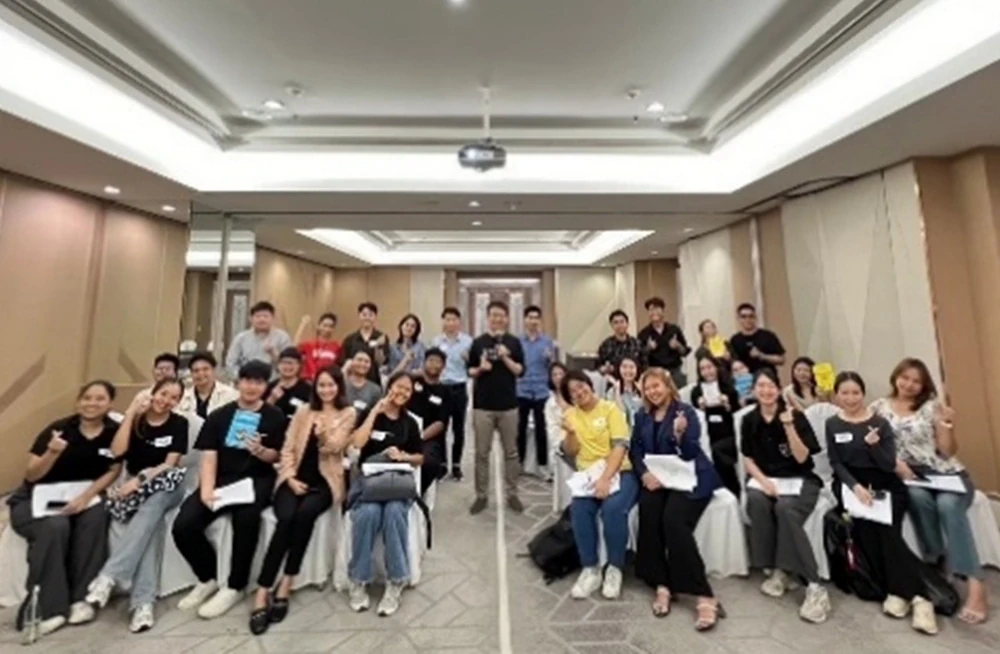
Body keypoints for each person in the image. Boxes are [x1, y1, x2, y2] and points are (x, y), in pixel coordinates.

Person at [872, 357, 987, 624]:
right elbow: (872, 443)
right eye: (905, 377)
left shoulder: (931, 407)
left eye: (917, 381)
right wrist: (895, 463)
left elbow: (947, 451)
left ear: (923, 385)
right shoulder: (878, 407)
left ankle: (976, 584)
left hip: (947, 474)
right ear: (896, 376)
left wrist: (946, 426)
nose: (909, 384)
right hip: (911, 476)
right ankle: (936, 560)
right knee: (916, 497)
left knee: (948, 505)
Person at [171, 361, 287, 620]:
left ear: (265, 386)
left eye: (258, 382)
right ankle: (208, 577)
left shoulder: (274, 416)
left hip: (257, 478)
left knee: (246, 519)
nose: (252, 387)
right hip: (222, 478)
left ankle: (235, 586)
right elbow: (209, 456)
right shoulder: (220, 416)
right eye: (247, 381)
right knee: (184, 524)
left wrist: (261, 451)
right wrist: (206, 490)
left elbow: (277, 456)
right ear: (238, 383)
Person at [826, 371, 938, 635]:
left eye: (855, 392)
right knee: (867, 532)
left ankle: (916, 598)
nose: (850, 398)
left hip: (885, 485)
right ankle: (907, 593)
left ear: (863, 394)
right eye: (844, 393)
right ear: (837, 395)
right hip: (851, 485)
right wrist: (855, 487)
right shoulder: (832, 423)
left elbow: (889, 465)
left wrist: (874, 446)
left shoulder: (879, 423)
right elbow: (836, 462)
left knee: (887, 532)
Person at [8, 380, 121, 639]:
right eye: (87, 398)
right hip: (36, 499)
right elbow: (32, 474)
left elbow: (113, 469)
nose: (92, 403)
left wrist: (87, 496)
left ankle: (82, 598)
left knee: (97, 515)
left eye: (100, 398)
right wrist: (51, 452)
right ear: (78, 402)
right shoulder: (58, 430)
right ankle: (50, 609)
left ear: (110, 404)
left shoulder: (113, 433)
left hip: (81, 497)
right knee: (55, 525)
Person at [249, 366, 354, 635]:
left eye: (331, 385)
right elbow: (287, 449)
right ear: (315, 388)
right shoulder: (303, 411)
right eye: (322, 385)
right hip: (294, 477)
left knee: (304, 515)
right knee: (285, 519)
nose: (326, 390)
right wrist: (289, 478)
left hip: (324, 482)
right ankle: (262, 590)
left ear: (339, 387)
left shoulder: (347, 413)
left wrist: (323, 432)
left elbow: (335, 447)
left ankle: (287, 582)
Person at [85, 379, 188, 632]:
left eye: (174, 397)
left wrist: (140, 480)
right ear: (153, 393)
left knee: (153, 504)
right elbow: (117, 451)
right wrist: (131, 412)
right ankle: (143, 604)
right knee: (149, 523)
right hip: (138, 489)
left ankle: (109, 576)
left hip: (167, 484)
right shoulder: (136, 421)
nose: (166, 400)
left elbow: (170, 464)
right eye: (163, 393)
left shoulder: (179, 423)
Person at [630, 368, 723, 630]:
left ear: (668, 386)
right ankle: (662, 584)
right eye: (648, 388)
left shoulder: (686, 413)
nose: (652, 392)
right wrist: (644, 473)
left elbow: (691, 453)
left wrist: (680, 436)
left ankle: (703, 593)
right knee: (649, 511)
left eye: (656, 386)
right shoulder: (642, 415)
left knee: (673, 520)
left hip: (689, 477)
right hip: (658, 477)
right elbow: (635, 449)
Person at [740, 370, 829, 623]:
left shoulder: (796, 417)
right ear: (754, 390)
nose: (766, 391)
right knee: (756, 500)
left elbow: (802, 458)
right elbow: (748, 459)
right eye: (760, 386)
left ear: (779, 389)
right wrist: (764, 482)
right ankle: (778, 569)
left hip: (801, 480)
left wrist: (789, 425)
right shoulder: (750, 420)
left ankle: (814, 585)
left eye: (770, 386)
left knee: (786, 509)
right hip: (768, 479)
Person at [347, 373, 425, 617]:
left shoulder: (410, 423)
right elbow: (357, 443)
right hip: (369, 484)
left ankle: (396, 581)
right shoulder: (372, 413)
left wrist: (404, 456)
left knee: (393, 512)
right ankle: (358, 579)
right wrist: (374, 412)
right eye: (398, 387)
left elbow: (420, 458)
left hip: (396, 485)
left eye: (407, 390)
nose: (402, 393)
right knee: (368, 514)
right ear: (389, 387)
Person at [560, 370, 638, 600]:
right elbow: (570, 452)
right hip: (589, 474)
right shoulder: (570, 415)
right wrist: (570, 433)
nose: (579, 392)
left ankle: (614, 568)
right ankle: (590, 568)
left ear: (589, 384)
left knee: (613, 509)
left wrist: (605, 478)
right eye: (572, 392)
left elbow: (620, 446)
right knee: (579, 509)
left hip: (620, 471)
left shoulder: (611, 409)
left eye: (581, 386)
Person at [468, 301, 525, 515]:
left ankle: (512, 493)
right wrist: (480, 369)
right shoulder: (478, 342)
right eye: (493, 315)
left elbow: (519, 371)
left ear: (507, 318)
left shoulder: (514, 342)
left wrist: (505, 356)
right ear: (488, 317)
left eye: (501, 315)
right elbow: (470, 370)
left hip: (509, 406)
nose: (497, 319)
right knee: (482, 453)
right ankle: (481, 495)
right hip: (482, 406)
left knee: (511, 452)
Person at [431, 306, 473, 481]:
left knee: (459, 429)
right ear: (443, 322)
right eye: (447, 319)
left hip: (459, 387)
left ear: (459, 322)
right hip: (441, 388)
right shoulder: (436, 341)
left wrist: (469, 359)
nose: (450, 323)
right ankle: (442, 464)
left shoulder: (468, 342)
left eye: (454, 319)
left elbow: (474, 367)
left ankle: (456, 464)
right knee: (440, 427)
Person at [689, 355, 741, 497]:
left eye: (709, 367)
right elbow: (694, 419)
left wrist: (728, 406)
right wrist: (700, 409)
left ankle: (731, 491)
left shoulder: (728, 389)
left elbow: (738, 415)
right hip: (707, 435)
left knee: (718, 452)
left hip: (728, 435)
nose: (707, 372)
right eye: (703, 369)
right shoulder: (696, 392)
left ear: (717, 368)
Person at [516, 305, 555, 476]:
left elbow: (553, 366)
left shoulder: (547, 342)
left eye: (536, 318)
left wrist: (549, 359)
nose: (533, 321)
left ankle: (542, 465)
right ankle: (519, 463)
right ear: (525, 320)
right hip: (522, 389)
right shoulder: (518, 342)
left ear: (540, 321)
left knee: (541, 429)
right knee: (520, 428)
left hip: (541, 390)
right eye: (530, 318)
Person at [410, 348, 450, 493]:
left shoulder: (445, 391)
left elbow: (440, 423)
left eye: (438, 362)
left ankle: (416, 494)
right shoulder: (412, 382)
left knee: (429, 463)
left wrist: (419, 437)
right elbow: (392, 381)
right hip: (404, 433)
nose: (434, 364)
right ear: (424, 363)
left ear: (443, 366)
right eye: (430, 360)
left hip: (428, 440)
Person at [225, 301, 292, 379]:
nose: (262, 319)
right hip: (246, 382)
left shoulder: (282, 337)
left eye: (265, 316)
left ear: (273, 318)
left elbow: (290, 365)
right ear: (251, 319)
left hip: (273, 383)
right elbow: (230, 363)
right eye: (258, 316)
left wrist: (273, 353)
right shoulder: (241, 338)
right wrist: (242, 379)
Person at [637, 297, 691, 386]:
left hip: (674, 371)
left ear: (663, 311)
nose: (654, 312)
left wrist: (678, 346)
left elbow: (685, 352)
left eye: (657, 309)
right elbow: (640, 356)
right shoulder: (643, 333)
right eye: (651, 310)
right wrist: (648, 348)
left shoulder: (674, 329)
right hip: (655, 373)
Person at [729, 303, 785, 378]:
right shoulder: (735, 340)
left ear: (755, 318)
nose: (748, 320)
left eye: (751, 316)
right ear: (738, 319)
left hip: (767, 379)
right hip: (744, 381)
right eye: (743, 317)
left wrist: (762, 356)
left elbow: (781, 360)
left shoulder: (768, 336)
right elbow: (733, 363)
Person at [179, 352, 239, 419]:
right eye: (196, 371)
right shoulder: (183, 397)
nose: (201, 373)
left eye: (205, 369)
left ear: (213, 370)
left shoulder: (231, 395)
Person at [341, 302, 388, 385]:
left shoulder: (381, 337)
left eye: (370, 315)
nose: (367, 318)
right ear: (359, 316)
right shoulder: (350, 339)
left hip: (375, 381)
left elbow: (382, 362)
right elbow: (345, 362)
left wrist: (378, 347)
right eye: (364, 315)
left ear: (375, 317)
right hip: (353, 382)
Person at [265, 347, 312, 419]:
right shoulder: (269, 387)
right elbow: (261, 414)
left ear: (299, 365)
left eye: (291, 363)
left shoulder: (307, 389)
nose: (287, 366)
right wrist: (272, 399)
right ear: (278, 365)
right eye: (284, 362)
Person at [294, 313, 343, 380]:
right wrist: (303, 325)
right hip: (308, 381)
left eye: (330, 326)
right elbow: (294, 348)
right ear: (318, 326)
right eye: (325, 325)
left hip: (325, 381)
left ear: (333, 329)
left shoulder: (336, 347)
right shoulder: (309, 345)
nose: (327, 329)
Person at [596, 310, 643, 376]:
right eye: (616, 322)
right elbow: (598, 367)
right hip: (612, 380)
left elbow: (644, 366)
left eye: (622, 322)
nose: (619, 325)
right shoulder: (606, 345)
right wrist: (605, 369)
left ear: (627, 324)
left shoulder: (637, 344)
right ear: (611, 325)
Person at [344, 350, 383, 421]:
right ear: (351, 362)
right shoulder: (341, 384)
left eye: (366, 361)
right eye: (359, 360)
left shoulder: (375, 390)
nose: (362, 364)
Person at [606, 355, 643, 428]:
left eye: (631, 367)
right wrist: (617, 392)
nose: (628, 370)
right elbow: (619, 414)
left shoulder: (642, 389)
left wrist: (642, 392)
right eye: (624, 367)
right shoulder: (612, 392)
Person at [545, 363, 569, 456]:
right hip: (559, 449)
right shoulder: (550, 404)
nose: (558, 377)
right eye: (554, 375)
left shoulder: (575, 396)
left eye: (561, 374)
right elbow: (551, 429)